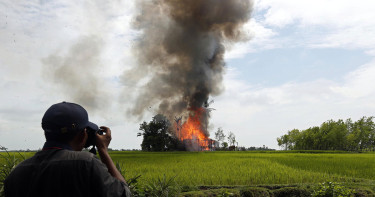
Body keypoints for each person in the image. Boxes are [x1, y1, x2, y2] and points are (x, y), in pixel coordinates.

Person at [4, 101, 131, 197]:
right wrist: (103, 150)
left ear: (46, 133)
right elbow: (124, 194)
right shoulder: (86, 163)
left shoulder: (16, 174)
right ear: (82, 136)